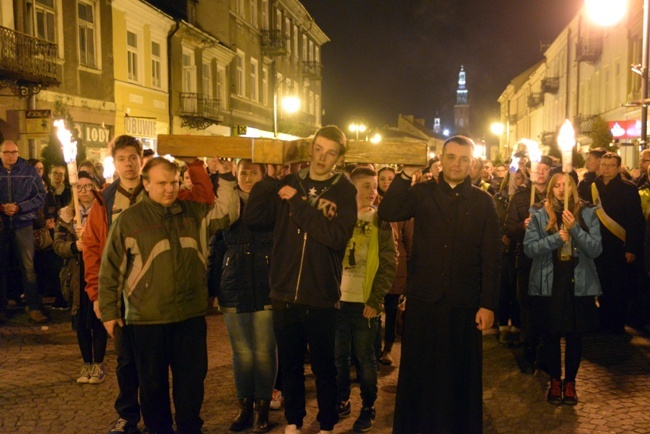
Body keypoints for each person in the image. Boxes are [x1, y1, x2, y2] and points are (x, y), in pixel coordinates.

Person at [99, 157, 236, 434]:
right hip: (146, 319)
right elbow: (110, 268)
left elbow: (228, 213)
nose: (169, 189)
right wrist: (110, 313)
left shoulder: (194, 212)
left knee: (191, 382)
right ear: (146, 184)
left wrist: (228, 176)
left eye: (174, 182)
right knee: (152, 385)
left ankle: (189, 428)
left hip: (190, 316)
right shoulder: (129, 220)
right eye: (162, 183)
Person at [379, 135, 501, 434]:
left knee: (461, 373)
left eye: (462, 158)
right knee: (420, 372)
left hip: (464, 301)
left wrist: (488, 303)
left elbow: (491, 257)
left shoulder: (484, 202)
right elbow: (388, 211)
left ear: (472, 163)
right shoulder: (421, 192)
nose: (456, 163)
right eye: (450, 157)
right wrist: (405, 174)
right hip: (424, 298)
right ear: (441, 159)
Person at [243, 125, 358, 434]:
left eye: (331, 152)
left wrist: (298, 204)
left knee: (324, 367)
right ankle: (294, 421)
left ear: (339, 158)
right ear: (310, 150)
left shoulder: (344, 190)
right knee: (291, 365)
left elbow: (335, 236)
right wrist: (269, 179)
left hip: (321, 292)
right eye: (319, 149)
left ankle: (327, 424)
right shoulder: (291, 181)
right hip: (284, 290)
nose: (322, 157)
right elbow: (254, 218)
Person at [84, 135, 148, 434]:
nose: (128, 164)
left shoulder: (155, 190)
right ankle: (128, 415)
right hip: (120, 292)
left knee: (154, 359)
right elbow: (93, 248)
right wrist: (97, 295)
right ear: (114, 162)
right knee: (125, 359)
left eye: (133, 158)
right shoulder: (105, 200)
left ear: (141, 159)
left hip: (153, 291)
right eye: (122, 159)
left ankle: (156, 413)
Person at [208, 159, 276, 433]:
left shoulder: (272, 204)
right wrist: (212, 289)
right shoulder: (227, 204)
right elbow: (216, 248)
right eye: (242, 172)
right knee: (242, 353)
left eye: (253, 172)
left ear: (263, 175)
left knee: (264, 351)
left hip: (265, 284)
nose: (247, 177)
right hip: (233, 284)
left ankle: (262, 407)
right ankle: (244, 406)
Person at [524, 172, 602, 405]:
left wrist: (575, 229)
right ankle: (555, 381)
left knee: (574, 335)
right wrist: (556, 238)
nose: (560, 189)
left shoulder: (587, 212)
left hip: (578, 282)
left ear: (573, 188)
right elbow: (530, 249)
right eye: (556, 185)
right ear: (550, 188)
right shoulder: (538, 213)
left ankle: (570, 382)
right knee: (550, 334)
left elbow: (596, 249)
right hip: (549, 282)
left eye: (565, 185)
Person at [335, 167, 396, 432]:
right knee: (338, 357)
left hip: (364, 302)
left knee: (365, 359)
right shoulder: (338, 218)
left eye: (374, 186)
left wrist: (375, 300)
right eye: (366, 186)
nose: (373, 192)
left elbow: (388, 263)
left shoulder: (381, 221)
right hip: (336, 301)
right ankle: (341, 400)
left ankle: (368, 407)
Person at [54, 171, 108, 384]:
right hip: (77, 274)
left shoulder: (103, 210)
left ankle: (99, 364)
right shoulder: (67, 215)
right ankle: (87, 362)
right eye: (80, 187)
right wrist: (73, 246)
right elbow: (57, 244)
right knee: (81, 320)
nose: (84, 191)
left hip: (97, 269)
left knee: (98, 319)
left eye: (88, 186)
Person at [585, 152, 645, 334]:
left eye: (611, 165)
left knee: (618, 286)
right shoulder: (591, 187)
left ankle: (616, 324)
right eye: (603, 164)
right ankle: (601, 320)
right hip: (596, 245)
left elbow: (635, 221)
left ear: (618, 168)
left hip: (618, 246)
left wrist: (632, 248)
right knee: (599, 284)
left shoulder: (628, 189)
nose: (606, 168)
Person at [505, 155, 553, 373]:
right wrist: (523, 226)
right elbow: (508, 229)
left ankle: (546, 352)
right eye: (537, 169)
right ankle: (529, 350)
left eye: (545, 169)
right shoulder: (521, 198)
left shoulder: (559, 195)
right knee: (527, 305)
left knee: (548, 307)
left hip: (551, 260)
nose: (541, 172)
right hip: (527, 260)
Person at [0, 140, 47, 322]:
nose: (11, 155)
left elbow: (40, 195)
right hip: (2, 224)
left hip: (23, 224)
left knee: (28, 267)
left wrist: (20, 207)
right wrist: (2, 207)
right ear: (1, 153)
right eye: (7, 152)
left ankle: (33, 306)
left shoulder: (28, 171)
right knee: (1, 267)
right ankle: (1, 307)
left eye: (14, 152)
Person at [495, 169, 525, 346]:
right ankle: (503, 323)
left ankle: (517, 323)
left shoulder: (525, 198)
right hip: (503, 249)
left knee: (517, 287)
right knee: (504, 288)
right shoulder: (499, 199)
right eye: (514, 177)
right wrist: (502, 237)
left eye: (520, 177)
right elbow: (494, 220)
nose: (516, 181)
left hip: (518, 247)